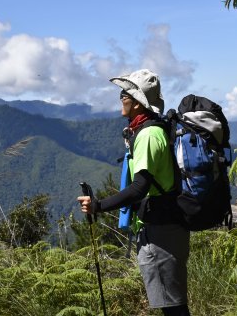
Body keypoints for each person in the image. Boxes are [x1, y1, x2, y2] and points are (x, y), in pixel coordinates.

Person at [77, 69, 191, 316]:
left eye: (124, 94)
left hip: (162, 231)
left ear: (138, 103)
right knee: (172, 306)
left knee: (173, 308)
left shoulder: (149, 135)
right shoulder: (148, 130)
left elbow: (140, 188)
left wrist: (98, 206)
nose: (121, 98)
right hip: (165, 226)